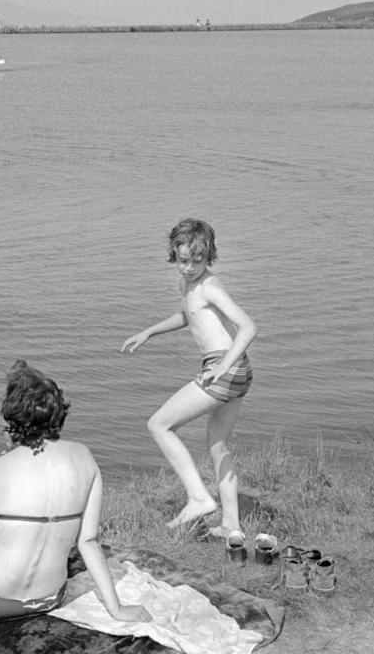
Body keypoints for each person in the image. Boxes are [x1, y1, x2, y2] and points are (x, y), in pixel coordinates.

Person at [0, 360, 150, 624]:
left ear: (12, 419)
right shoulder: (85, 458)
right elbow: (88, 542)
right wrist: (117, 609)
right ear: (57, 413)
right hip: (49, 598)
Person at [120, 218, 258, 540]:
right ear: (174, 254)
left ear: (208, 257)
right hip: (238, 370)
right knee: (217, 445)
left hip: (226, 368)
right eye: (184, 260)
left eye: (198, 261)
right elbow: (191, 314)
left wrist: (223, 366)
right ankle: (231, 526)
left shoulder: (210, 285)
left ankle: (199, 499)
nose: (190, 268)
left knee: (159, 424)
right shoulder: (189, 286)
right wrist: (150, 331)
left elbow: (249, 326)